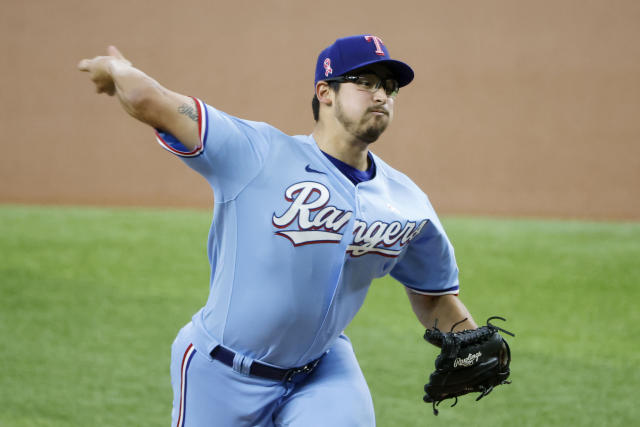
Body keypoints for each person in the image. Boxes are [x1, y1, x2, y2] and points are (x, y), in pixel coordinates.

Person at [79, 34, 478, 427]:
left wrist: (472, 343)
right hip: (219, 373)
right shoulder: (256, 153)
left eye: (389, 87)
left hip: (323, 372)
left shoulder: (406, 201)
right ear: (325, 92)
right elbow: (152, 101)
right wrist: (117, 68)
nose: (381, 95)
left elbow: (434, 297)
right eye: (365, 82)